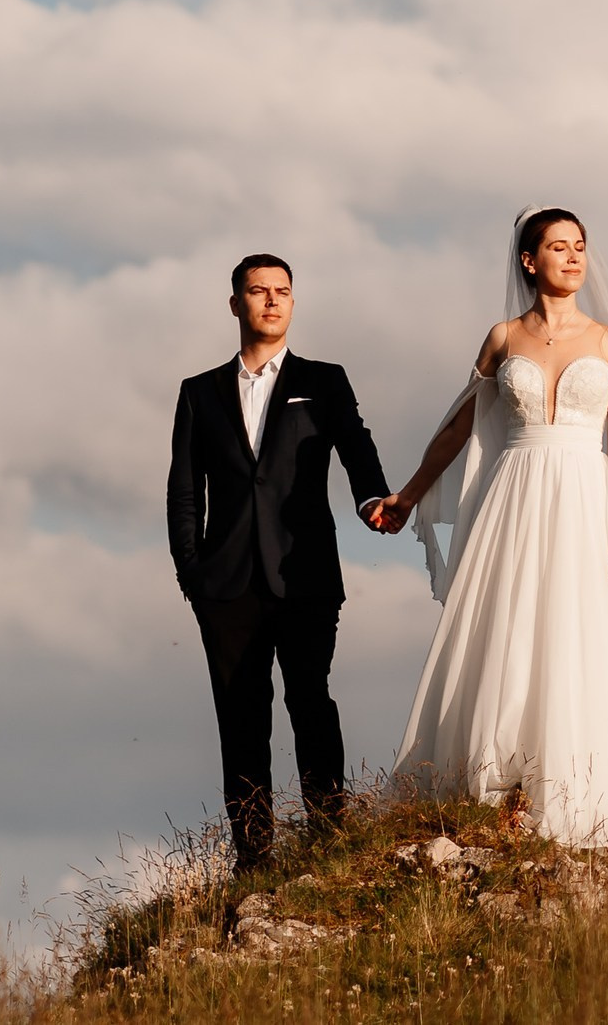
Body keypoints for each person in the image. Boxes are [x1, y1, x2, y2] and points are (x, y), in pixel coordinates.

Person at [374, 208, 608, 866]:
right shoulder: (502, 338)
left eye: (580, 246)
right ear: (529, 260)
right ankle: (499, 783)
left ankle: (576, 791)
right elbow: (459, 426)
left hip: (585, 497)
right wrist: (408, 493)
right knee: (509, 626)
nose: (574, 257)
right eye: (558, 246)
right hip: (515, 497)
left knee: (579, 634)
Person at [167, 253, 393, 871]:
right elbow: (185, 492)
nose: (272, 300)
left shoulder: (324, 381)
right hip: (227, 585)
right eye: (258, 291)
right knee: (240, 719)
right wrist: (194, 574)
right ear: (235, 303)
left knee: (310, 701)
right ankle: (254, 856)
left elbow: (357, 448)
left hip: (306, 576)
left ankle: (327, 836)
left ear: (293, 302)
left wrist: (373, 498)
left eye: (283, 291)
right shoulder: (199, 393)